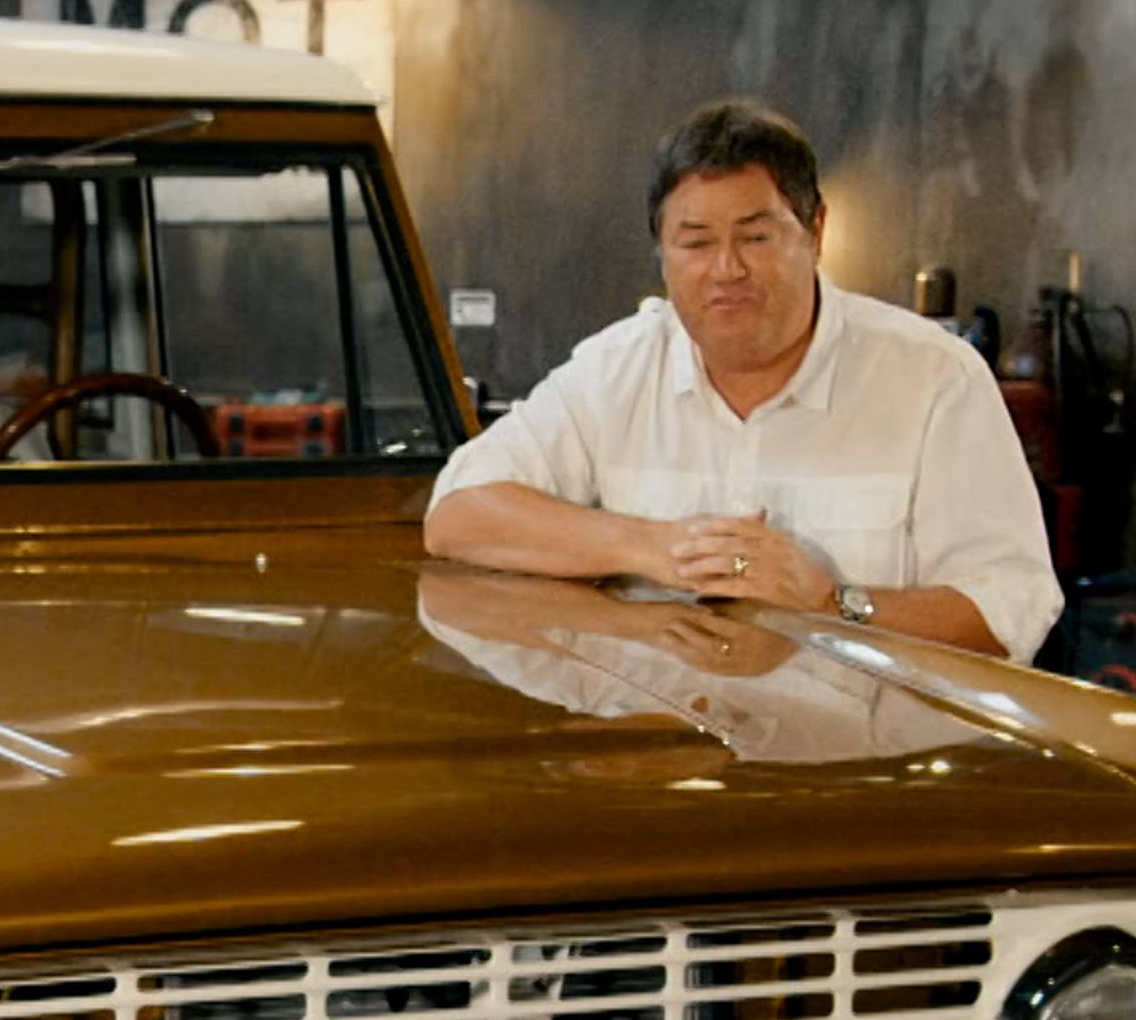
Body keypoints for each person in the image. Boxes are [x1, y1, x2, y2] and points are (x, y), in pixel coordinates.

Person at [423, 99, 1061, 661]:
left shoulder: (933, 378)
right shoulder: (618, 367)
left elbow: (1010, 610)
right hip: (662, 765)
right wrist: (655, 547)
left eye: (755, 237)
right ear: (661, 252)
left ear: (815, 232)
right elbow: (457, 515)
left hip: (853, 777)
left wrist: (831, 602)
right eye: (695, 243)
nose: (726, 270)